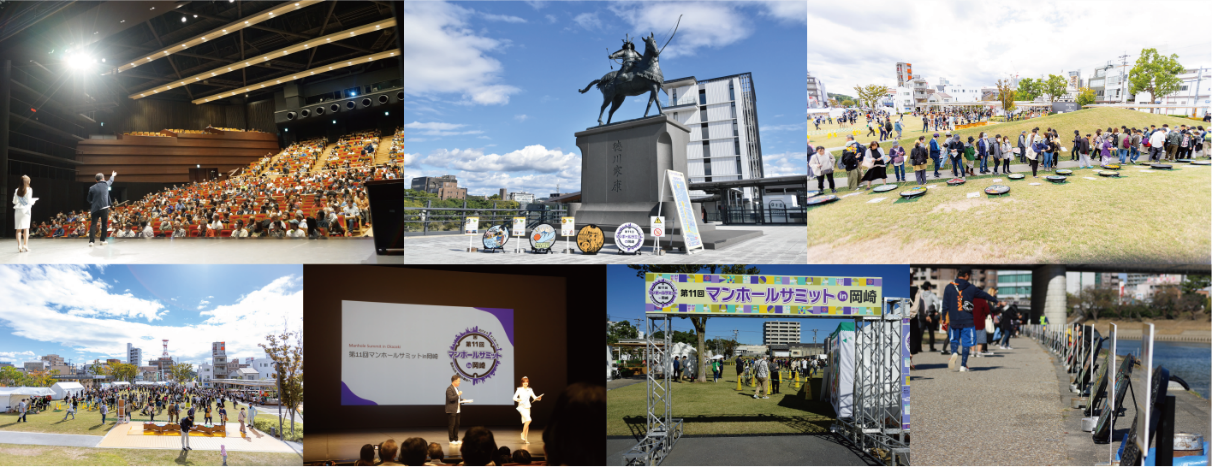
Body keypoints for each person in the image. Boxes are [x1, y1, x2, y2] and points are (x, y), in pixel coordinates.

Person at [943, 268, 998, 372]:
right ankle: (963, 365)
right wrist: (995, 300)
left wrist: (943, 319)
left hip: (954, 320)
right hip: (967, 320)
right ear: (967, 275)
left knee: (954, 340)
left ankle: (954, 352)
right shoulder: (971, 288)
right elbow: (984, 295)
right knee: (966, 343)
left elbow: (945, 305)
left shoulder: (949, 287)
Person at [86, 171, 116, 247]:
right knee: (104, 224)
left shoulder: (91, 188)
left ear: (96, 180)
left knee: (93, 224)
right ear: (103, 179)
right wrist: (112, 175)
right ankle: (102, 240)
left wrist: (94, 202)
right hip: (104, 208)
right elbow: (111, 180)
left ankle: (91, 242)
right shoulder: (106, 184)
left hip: (95, 208)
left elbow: (89, 199)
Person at [512, 376, 541, 443]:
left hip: (528, 407)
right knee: (529, 420)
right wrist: (517, 399)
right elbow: (514, 397)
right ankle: (522, 434)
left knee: (527, 423)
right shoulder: (519, 389)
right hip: (521, 407)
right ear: (522, 383)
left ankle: (525, 439)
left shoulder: (530, 390)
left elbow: (534, 397)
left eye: (527, 382)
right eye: (524, 382)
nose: (525, 383)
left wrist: (538, 398)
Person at [446, 375, 464, 444]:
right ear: (455, 381)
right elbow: (451, 398)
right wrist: (458, 395)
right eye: (459, 381)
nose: (460, 382)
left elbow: (457, 399)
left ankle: (456, 439)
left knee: (457, 424)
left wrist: (463, 400)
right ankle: (451, 440)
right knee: (452, 425)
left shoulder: (457, 389)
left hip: (458, 410)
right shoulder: (449, 389)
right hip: (452, 410)